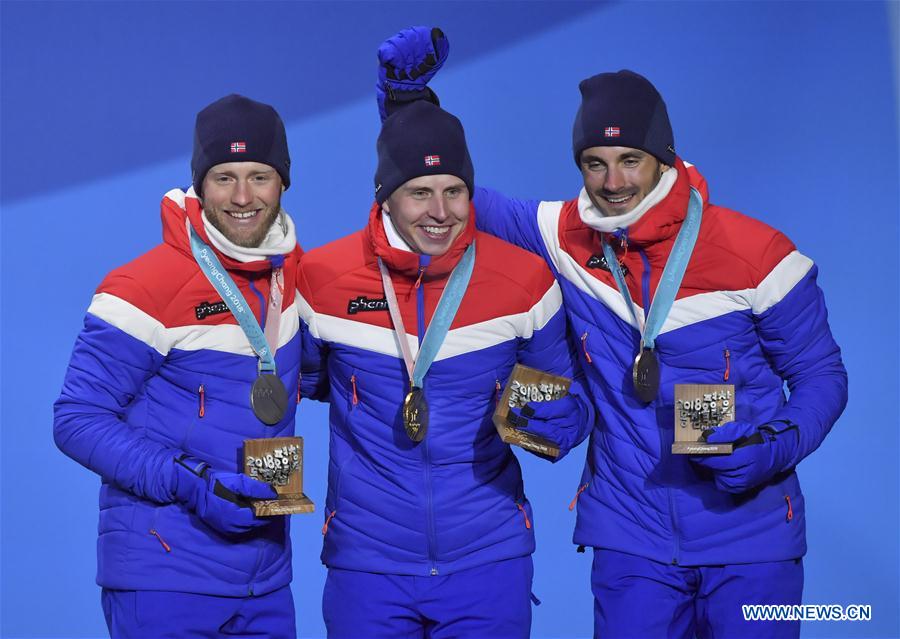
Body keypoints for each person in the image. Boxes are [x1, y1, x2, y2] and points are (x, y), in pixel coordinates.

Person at [375, 28, 849, 639]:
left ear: (665, 157)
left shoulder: (758, 254)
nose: (613, 181)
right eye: (594, 163)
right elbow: (445, 200)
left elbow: (822, 378)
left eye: (630, 160)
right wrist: (408, 111)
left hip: (752, 538)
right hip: (630, 540)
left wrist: (772, 444)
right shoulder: (565, 235)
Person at [297, 99, 594, 638]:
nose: (441, 211)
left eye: (454, 190)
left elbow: (569, 400)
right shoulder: (321, 279)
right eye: (420, 192)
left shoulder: (524, 281)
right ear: (386, 196)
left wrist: (561, 424)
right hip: (368, 564)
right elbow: (306, 383)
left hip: (489, 557)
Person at [53, 94, 303, 638]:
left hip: (265, 580)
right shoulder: (142, 286)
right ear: (199, 184)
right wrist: (190, 481)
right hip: (164, 575)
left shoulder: (295, 284)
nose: (243, 196)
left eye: (260, 175)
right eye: (223, 177)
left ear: (283, 182)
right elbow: (75, 419)